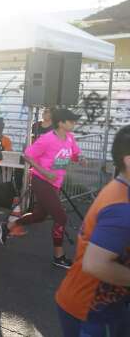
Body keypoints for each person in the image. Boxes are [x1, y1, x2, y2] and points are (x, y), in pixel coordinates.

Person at [54, 125, 130, 337]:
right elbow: (95, 264)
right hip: (90, 311)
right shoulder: (121, 209)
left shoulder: (123, 188)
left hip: (111, 305)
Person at [0, 108, 84, 268]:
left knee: (39, 216)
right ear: (61, 123)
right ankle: (59, 256)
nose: (74, 124)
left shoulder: (70, 138)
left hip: (56, 183)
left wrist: (80, 158)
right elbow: (28, 155)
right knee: (61, 218)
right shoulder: (47, 139)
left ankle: (8, 226)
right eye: (71, 121)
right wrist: (45, 172)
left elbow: (74, 154)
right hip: (42, 181)